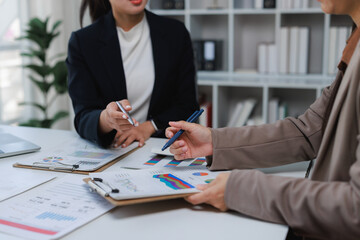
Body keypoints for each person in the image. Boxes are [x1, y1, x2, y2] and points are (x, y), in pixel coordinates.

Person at [165, 1, 360, 239]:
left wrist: (241, 190)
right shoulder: (355, 40)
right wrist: (215, 142)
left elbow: (355, 209)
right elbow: (309, 130)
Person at [66, 0, 199, 148]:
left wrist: (149, 126)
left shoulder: (176, 33)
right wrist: (106, 119)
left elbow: (188, 105)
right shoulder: (83, 42)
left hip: (161, 146)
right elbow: (83, 117)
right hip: (114, 149)